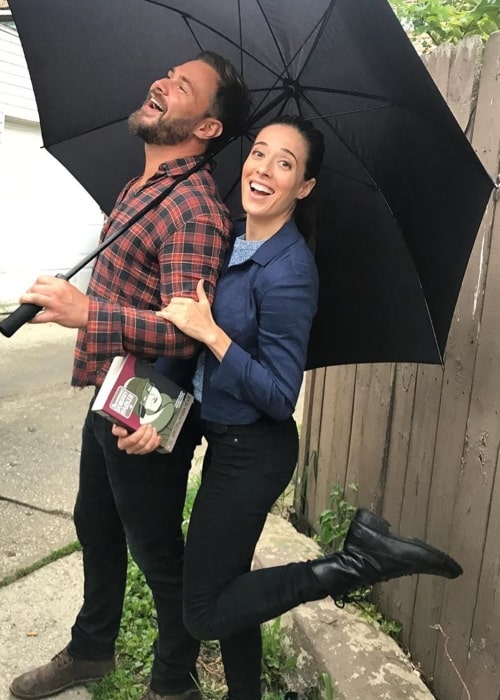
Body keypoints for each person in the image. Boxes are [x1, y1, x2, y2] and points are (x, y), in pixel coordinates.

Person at [113, 115, 463, 700]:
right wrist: (159, 407)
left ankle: (356, 562)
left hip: (254, 451)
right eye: (259, 154)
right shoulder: (229, 241)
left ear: (303, 187)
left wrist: (213, 333)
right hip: (221, 433)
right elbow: (192, 355)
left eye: (285, 163)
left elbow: (279, 394)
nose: (263, 169)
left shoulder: (291, 271)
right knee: (229, 591)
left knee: (202, 612)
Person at [9, 52, 251, 700]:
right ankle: (92, 650)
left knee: (158, 554)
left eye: (183, 87)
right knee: (96, 520)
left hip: (148, 403)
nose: (161, 84)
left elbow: (185, 330)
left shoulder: (195, 211)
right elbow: (138, 290)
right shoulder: (142, 188)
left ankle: (174, 685)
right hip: (110, 389)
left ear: (207, 128)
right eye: (166, 75)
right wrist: (73, 296)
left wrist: (87, 311)